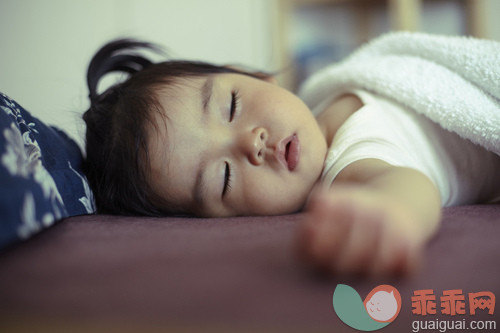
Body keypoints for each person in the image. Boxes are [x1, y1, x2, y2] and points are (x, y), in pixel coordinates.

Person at [83, 35, 500, 276]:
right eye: (224, 177)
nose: (252, 143)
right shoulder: (346, 171)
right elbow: (407, 185)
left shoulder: (330, 97)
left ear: (255, 76)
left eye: (231, 106)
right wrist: (392, 215)